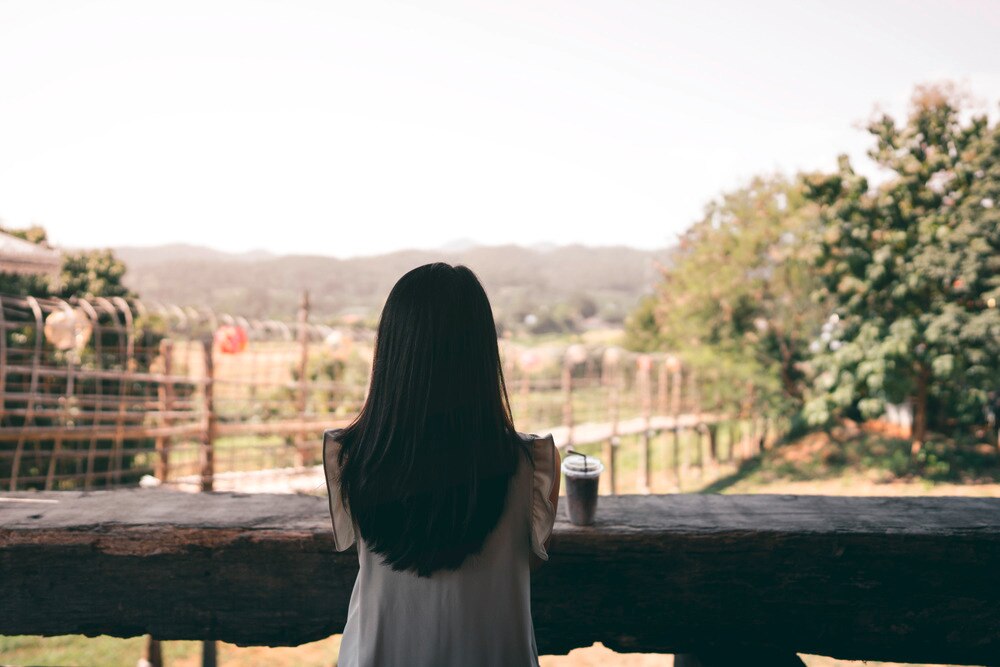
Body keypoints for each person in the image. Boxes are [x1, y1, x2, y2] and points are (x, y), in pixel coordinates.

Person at [322, 262, 561, 667]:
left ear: (392, 355)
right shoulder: (532, 465)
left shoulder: (348, 457)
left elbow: (358, 549)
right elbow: (529, 560)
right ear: (483, 356)